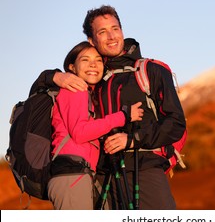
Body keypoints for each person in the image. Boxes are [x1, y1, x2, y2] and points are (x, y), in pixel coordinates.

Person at [48, 5, 186, 209]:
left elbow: (175, 123)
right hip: (102, 176)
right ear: (92, 40)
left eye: (115, 28)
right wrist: (53, 76)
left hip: (145, 169)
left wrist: (131, 140)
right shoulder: (90, 77)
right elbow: (44, 90)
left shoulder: (151, 71)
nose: (111, 36)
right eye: (102, 32)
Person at [47, 41, 143, 210]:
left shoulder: (87, 94)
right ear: (72, 68)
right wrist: (123, 116)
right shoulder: (75, 88)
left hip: (78, 174)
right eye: (85, 60)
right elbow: (80, 132)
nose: (93, 64)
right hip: (72, 174)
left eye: (98, 60)